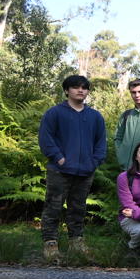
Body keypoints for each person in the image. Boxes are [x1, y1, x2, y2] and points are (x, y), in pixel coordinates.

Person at [38, 75, 106, 262]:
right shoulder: (54, 113)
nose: (80, 90)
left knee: (78, 208)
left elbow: (101, 142)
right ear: (67, 90)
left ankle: (77, 242)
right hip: (59, 170)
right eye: (75, 87)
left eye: (84, 88)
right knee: (53, 206)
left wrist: (94, 162)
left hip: (85, 171)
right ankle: (50, 243)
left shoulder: (95, 116)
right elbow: (46, 139)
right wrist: (59, 158)